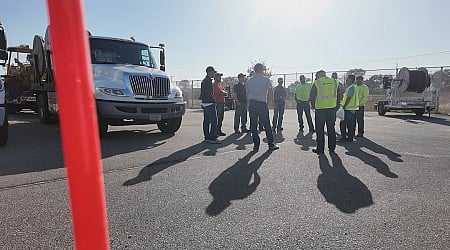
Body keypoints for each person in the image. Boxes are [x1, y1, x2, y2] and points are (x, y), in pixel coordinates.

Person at [246, 63, 279, 151]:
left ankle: (256, 145)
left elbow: (247, 94)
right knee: (266, 124)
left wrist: (248, 104)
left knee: (253, 125)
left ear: (254, 69)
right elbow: (270, 92)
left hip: (252, 103)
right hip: (262, 103)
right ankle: (271, 144)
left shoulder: (249, 80)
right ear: (262, 69)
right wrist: (267, 102)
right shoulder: (266, 79)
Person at [310, 70, 340, 154]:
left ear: (319, 75)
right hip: (332, 109)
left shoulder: (317, 83)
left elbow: (312, 97)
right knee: (331, 129)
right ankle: (332, 148)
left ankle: (320, 149)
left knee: (320, 130)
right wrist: (336, 107)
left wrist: (314, 106)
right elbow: (339, 95)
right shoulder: (335, 82)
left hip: (320, 109)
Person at [199, 66, 220, 144]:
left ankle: (207, 137)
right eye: (213, 72)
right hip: (209, 103)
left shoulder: (204, 81)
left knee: (206, 121)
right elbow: (209, 93)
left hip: (205, 103)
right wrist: (214, 101)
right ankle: (213, 138)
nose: (214, 74)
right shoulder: (207, 81)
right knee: (214, 121)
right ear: (209, 72)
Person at [339, 75, 359, 142]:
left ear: (351, 80)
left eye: (348, 79)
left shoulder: (351, 88)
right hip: (353, 109)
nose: (346, 80)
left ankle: (343, 138)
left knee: (343, 124)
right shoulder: (354, 87)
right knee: (350, 124)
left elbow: (349, 97)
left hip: (348, 109)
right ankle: (350, 138)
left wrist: (344, 106)